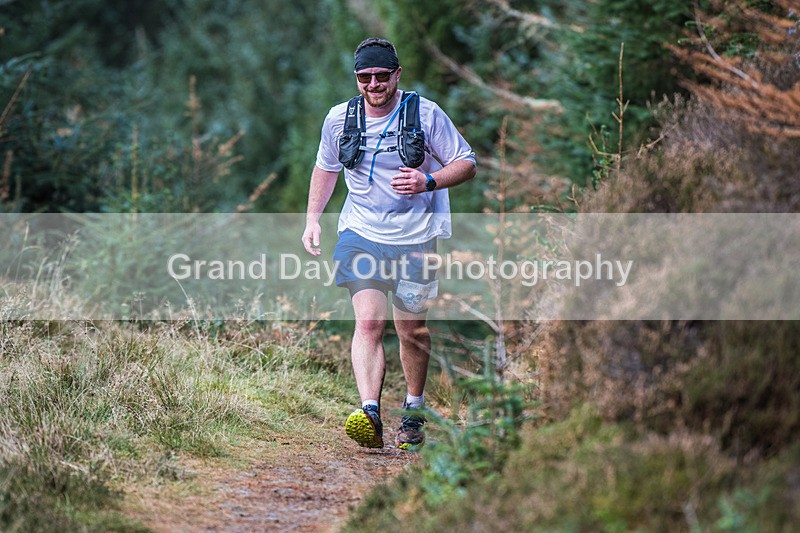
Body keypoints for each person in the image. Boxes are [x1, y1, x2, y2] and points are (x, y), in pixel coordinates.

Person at [302, 37, 476, 450]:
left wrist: (428, 180)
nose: (375, 84)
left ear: (397, 74)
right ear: (357, 79)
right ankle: (370, 412)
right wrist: (312, 219)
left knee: (412, 330)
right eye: (366, 77)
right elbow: (325, 168)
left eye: (383, 76)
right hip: (359, 232)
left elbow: (467, 163)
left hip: (416, 238)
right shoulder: (339, 119)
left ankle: (413, 411)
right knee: (368, 323)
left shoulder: (426, 114)